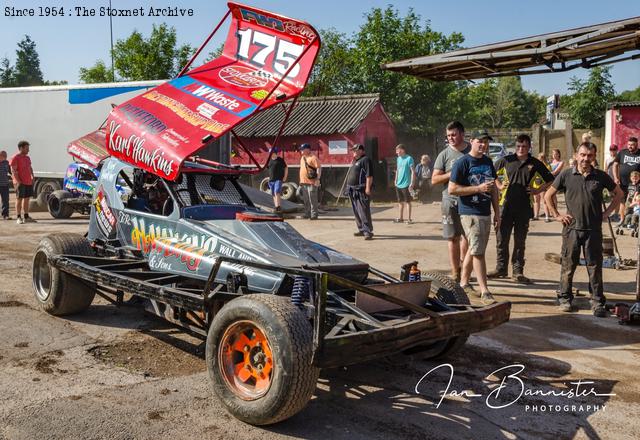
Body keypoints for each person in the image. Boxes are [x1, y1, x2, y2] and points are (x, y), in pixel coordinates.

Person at [545, 143, 623, 317]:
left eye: (589, 155)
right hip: (571, 229)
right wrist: (557, 215)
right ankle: (565, 298)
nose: (586, 159)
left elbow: (619, 194)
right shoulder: (566, 175)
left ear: (594, 156)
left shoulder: (601, 176)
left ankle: (597, 301)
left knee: (595, 267)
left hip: (593, 230)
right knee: (568, 265)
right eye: (583, 155)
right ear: (576, 155)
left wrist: (608, 212)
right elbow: (548, 195)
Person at [489, 135, 555, 284]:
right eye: (518, 146)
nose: (520, 149)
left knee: (520, 241)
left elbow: (551, 179)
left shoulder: (535, 163)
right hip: (504, 206)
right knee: (501, 239)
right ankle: (501, 268)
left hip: (524, 207)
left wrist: (537, 190)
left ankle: (518, 271)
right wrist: (499, 185)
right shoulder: (506, 160)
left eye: (524, 146)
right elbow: (490, 173)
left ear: (529, 147)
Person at [449, 130, 500, 305]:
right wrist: (478, 189)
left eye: (486, 142)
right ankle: (485, 290)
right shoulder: (462, 163)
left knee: (474, 247)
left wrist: (497, 213)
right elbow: (452, 189)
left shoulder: (488, 162)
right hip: (469, 212)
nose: (483, 145)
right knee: (478, 252)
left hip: (486, 212)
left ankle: (463, 282)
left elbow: (493, 189)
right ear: (472, 141)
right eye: (480, 141)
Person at [432, 121, 470, 282]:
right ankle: (455, 272)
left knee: (468, 237)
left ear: (462, 134)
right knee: (452, 237)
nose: (451, 138)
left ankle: (464, 267)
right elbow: (434, 179)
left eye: (453, 134)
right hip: (450, 201)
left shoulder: (472, 151)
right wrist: (452, 173)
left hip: (470, 201)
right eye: (448, 136)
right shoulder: (444, 155)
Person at [347, 143, 374, 240]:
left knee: (363, 211)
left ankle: (368, 231)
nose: (354, 152)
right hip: (352, 190)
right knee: (356, 211)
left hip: (361, 189)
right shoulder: (355, 161)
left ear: (361, 151)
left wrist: (368, 188)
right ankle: (361, 229)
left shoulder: (365, 160)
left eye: (356, 150)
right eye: (353, 150)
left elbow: (369, 175)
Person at [612, 137, 640, 225]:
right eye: (628, 144)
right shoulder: (622, 152)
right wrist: (616, 177)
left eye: (632, 145)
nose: (630, 146)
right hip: (623, 183)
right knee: (623, 201)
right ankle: (622, 220)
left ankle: (634, 221)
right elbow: (615, 165)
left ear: (637, 145)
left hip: (637, 184)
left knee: (636, 201)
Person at [10, 140, 35, 224]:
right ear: (21, 148)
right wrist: (18, 181)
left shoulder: (27, 158)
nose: (28, 150)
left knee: (27, 199)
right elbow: (13, 170)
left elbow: (30, 167)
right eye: (27, 148)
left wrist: (32, 176)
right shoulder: (15, 157)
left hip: (28, 181)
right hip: (20, 182)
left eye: (28, 148)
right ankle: (18, 217)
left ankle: (26, 217)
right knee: (19, 199)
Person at [393, 144, 416, 224]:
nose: (396, 152)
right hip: (398, 183)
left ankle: (409, 219)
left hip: (406, 184)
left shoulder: (409, 158)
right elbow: (398, 170)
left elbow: (413, 171)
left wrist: (412, 183)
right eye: (396, 151)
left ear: (402, 150)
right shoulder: (398, 159)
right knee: (400, 202)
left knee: (408, 202)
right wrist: (395, 180)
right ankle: (401, 218)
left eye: (398, 150)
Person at [298, 143, 321, 220]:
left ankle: (314, 215)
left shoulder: (313, 158)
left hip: (312, 182)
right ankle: (307, 213)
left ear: (307, 149)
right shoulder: (302, 158)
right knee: (306, 200)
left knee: (312, 199)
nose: (301, 150)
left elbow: (318, 168)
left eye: (302, 149)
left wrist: (317, 179)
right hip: (303, 182)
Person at [544, 149, 565, 222]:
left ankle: (554, 212)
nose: (554, 155)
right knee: (546, 197)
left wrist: (546, 174)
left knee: (553, 196)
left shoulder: (561, 162)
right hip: (548, 181)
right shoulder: (550, 163)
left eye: (556, 154)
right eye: (553, 154)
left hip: (555, 181)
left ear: (559, 154)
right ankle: (548, 214)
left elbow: (556, 172)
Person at [267, 146, 288, 213]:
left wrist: (285, 177)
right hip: (271, 180)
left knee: (277, 192)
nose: (270, 154)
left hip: (278, 179)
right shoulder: (269, 161)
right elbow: (269, 170)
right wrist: (268, 178)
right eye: (270, 153)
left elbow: (286, 168)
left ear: (275, 153)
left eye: (271, 153)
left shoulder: (280, 160)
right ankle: (276, 206)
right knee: (273, 193)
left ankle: (278, 206)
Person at [532, 152, 551, 221]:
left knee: (544, 201)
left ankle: (547, 216)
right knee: (536, 201)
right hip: (535, 185)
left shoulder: (547, 166)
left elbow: (548, 177)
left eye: (542, 158)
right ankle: (536, 215)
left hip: (543, 186)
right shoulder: (535, 166)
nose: (540, 160)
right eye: (539, 158)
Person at [0, 150, 11, 220]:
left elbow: (11, 171)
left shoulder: (7, 163)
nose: (6, 157)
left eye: (6, 155)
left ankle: (5, 215)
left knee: (5, 200)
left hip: (5, 184)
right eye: (4, 155)